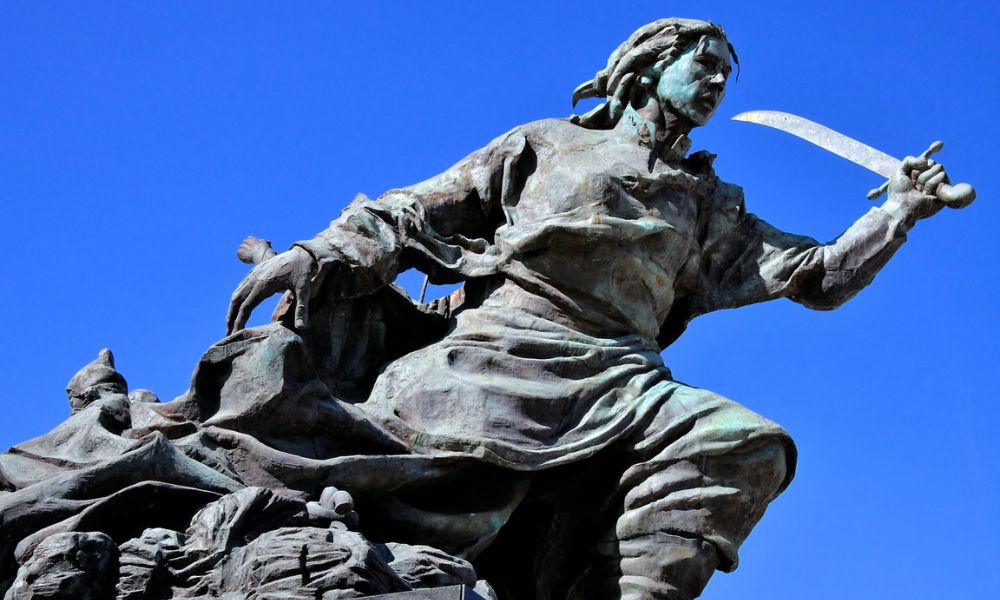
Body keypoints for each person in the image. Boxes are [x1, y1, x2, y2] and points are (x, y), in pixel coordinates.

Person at [0, 18, 965, 600]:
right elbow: (419, 207)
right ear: (646, 67)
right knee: (406, 489)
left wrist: (900, 213)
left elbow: (823, 277)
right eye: (700, 62)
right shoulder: (549, 145)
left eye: (725, 72)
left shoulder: (710, 205)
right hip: (496, 357)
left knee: (745, 442)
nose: (714, 80)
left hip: (624, 375)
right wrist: (321, 254)